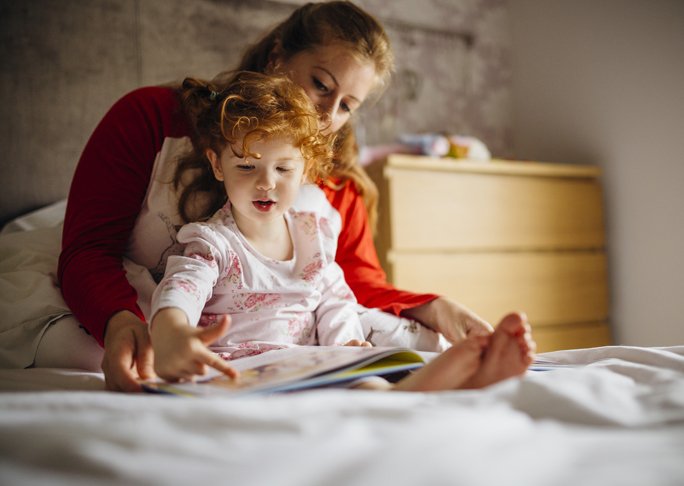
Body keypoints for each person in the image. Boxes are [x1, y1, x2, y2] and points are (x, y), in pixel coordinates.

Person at [53, 1, 499, 392]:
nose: (327, 115)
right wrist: (120, 322)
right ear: (277, 56)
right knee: (84, 350)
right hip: (161, 309)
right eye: (321, 85)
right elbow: (90, 248)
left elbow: (349, 280)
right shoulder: (150, 118)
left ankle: (431, 378)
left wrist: (434, 309)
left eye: (346, 105)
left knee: (384, 332)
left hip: (288, 324)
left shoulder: (332, 184)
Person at [148, 71, 535, 387]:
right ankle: (435, 387)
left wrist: (346, 344)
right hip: (245, 370)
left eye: (283, 169)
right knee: (364, 390)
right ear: (218, 166)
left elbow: (334, 301)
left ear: (305, 169)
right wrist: (172, 333)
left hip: (314, 362)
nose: (266, 183)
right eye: (247, 167)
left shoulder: (311, 234)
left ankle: (449, 381)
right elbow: (181, 289)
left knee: (364, 378)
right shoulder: (213, 243)